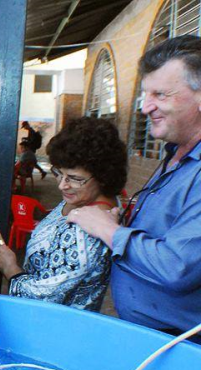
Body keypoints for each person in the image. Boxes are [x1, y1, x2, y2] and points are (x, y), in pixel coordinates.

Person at [70, 36, 201, 342]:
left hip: (182, 349)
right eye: (145, 94)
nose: (145, 107)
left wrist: (108, 231)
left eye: (160, 94)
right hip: (152, 337)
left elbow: (177, 267)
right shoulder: (176, 153)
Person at [0, 117, 127, 311]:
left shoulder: (87, 231)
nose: (62, 185)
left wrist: (10, 267)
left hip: (57, 330)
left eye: (74, 178)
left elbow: (40, 301)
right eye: (58, 173)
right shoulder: (83, 197)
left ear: (103, 176)